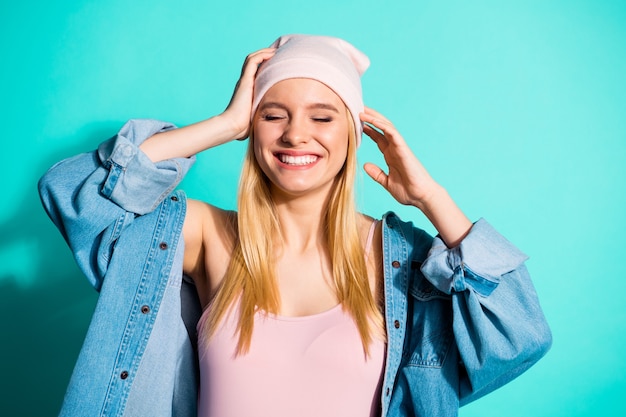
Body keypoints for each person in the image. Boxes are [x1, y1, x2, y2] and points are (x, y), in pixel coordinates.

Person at [39, 34, 551, 417]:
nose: (295, 135)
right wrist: (223, 126)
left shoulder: (405, 261)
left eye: (323, 117)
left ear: (353, 134)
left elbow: (520, 334)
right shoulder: (201, 234)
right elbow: (76, 195)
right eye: (273, 115)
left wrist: (431, 199)